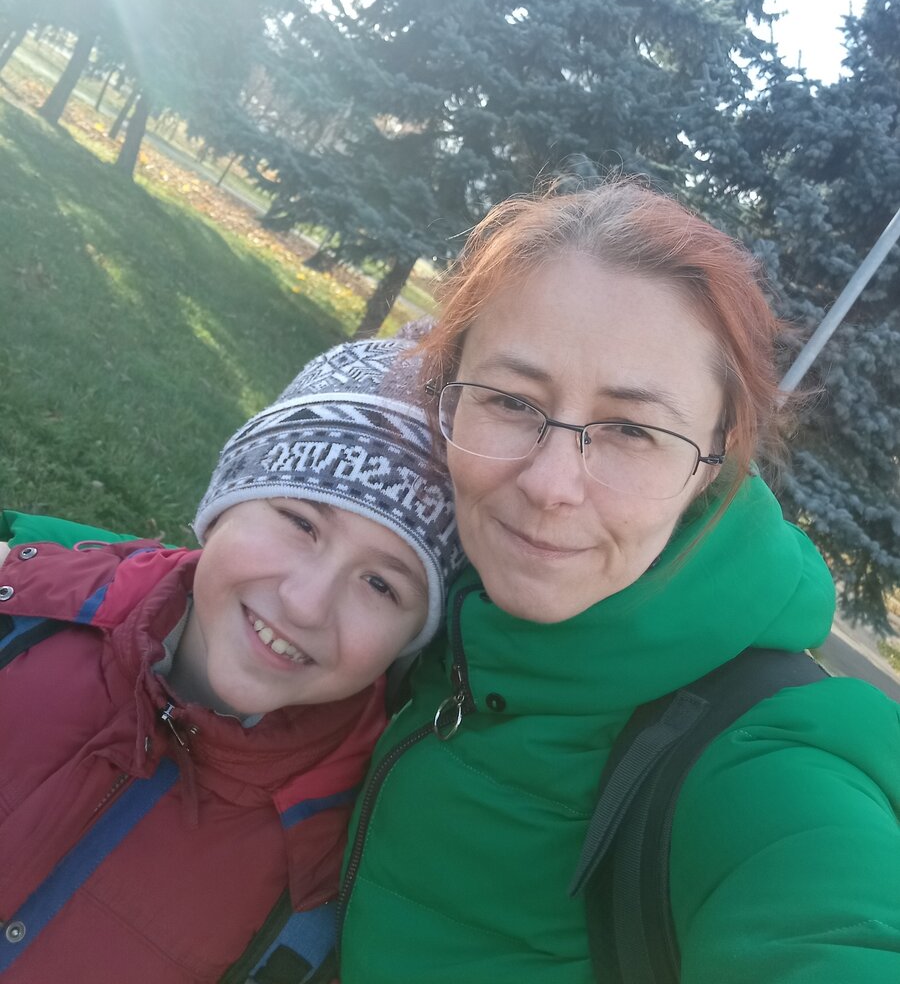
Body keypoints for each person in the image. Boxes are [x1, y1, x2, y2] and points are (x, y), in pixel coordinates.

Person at [337, 180, 900, 983]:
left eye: (632, 429)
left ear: (713, 460)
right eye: (510, 400)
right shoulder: (429, 583)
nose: (549, 485)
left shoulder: (769, 756)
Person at [0, 336, 463, 984]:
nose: (305, 604)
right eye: (301, 522)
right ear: (225, 506)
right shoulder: (21, 613)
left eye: (381, 585)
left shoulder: (329, 881)